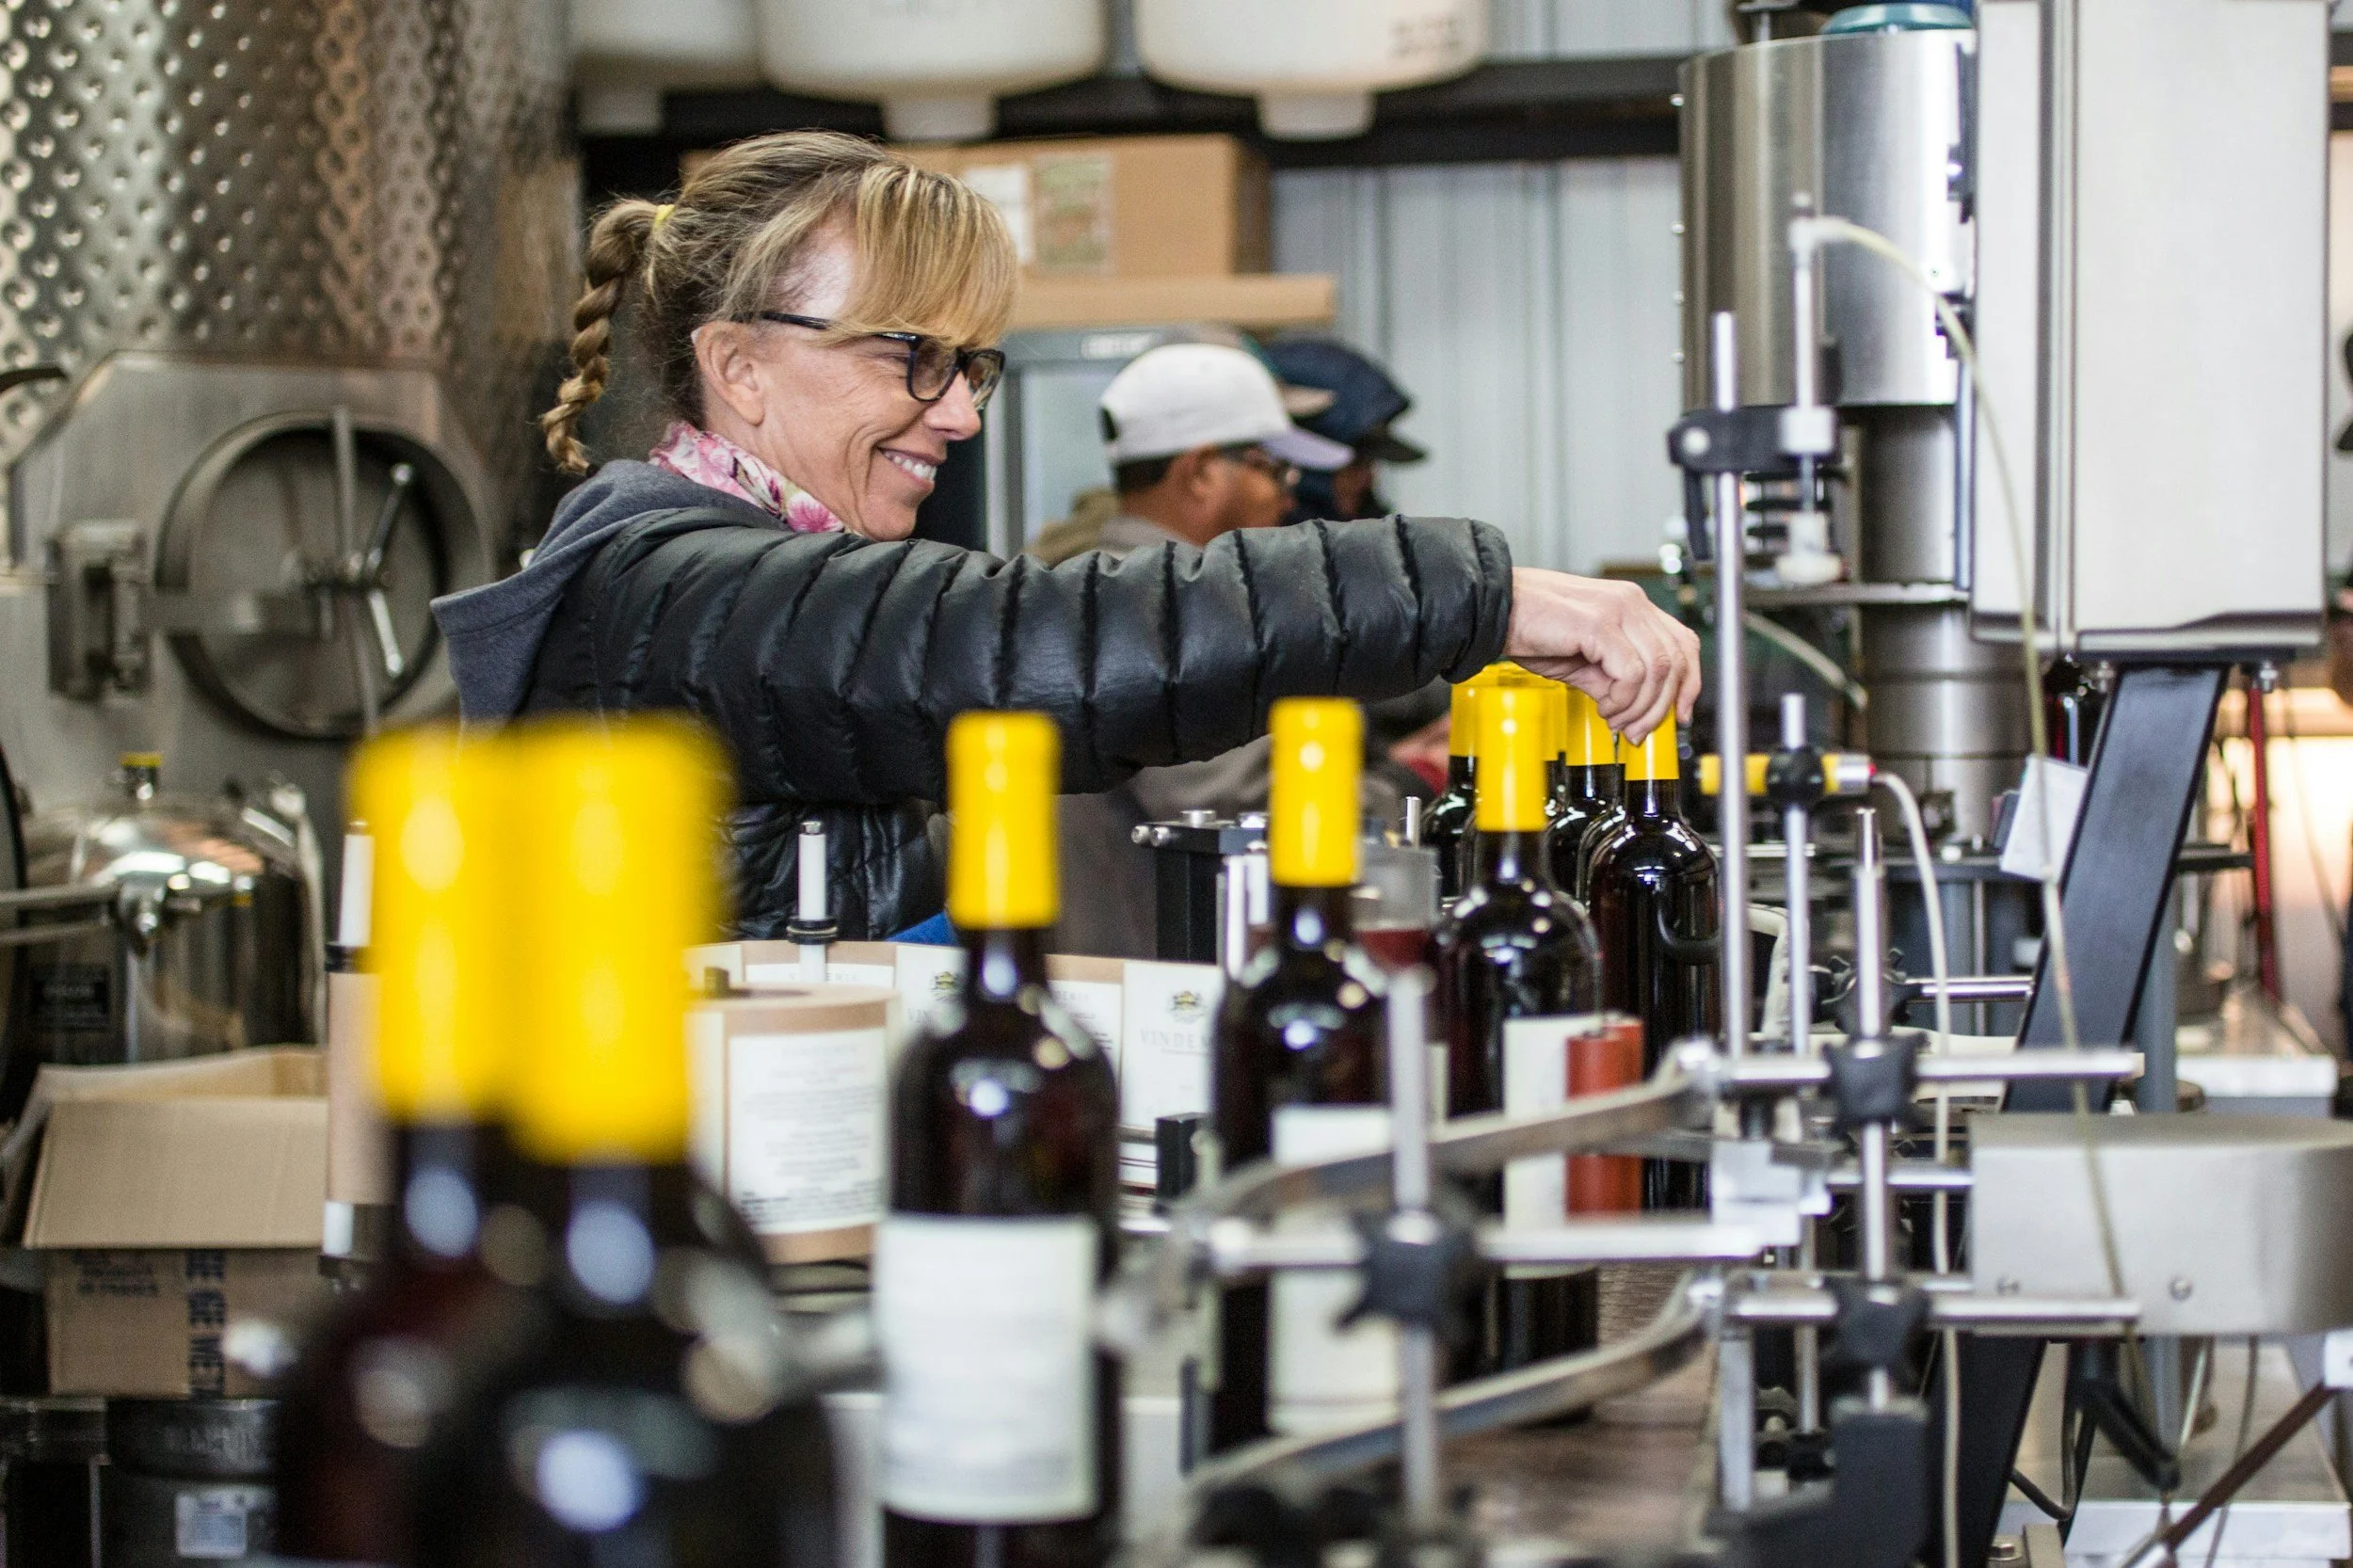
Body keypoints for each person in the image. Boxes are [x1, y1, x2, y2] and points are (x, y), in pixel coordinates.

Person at [430, 130, 1702, 941]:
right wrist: (1480, 593)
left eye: (973, 364)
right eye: (916, 357)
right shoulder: (676, 592)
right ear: (739, 369)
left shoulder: (721, 583)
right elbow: (1037, 651)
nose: (964, 410)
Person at [1052, 344, 1360, 956]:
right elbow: (1242, 808)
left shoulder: (1111, 586)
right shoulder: (1154, 606)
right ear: (1199, 473)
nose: (1288, 497)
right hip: (1149, 974)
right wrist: (1410, 779)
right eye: (1271, 468)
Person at [1261, 335, 1428, 523]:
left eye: (1370, 461)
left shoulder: (1370, 540)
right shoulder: (1249, 544)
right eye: (1356, 461)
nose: (1368, 477)